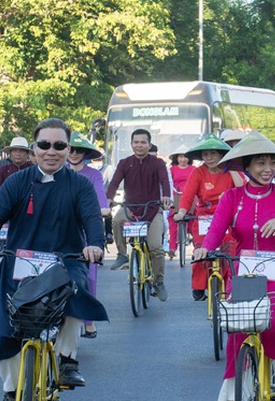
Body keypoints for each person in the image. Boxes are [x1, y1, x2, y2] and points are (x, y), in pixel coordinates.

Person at [0, 118, 107, 401]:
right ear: (34, 148)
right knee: (4, 327)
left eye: (59, 145)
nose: (52, 151)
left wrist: (95, 246)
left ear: (68, 149)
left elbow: (92, 220)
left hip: (65, 260)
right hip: (19, 262)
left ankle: (67, 360)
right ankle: (10, 396)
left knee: (75, 292)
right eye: (44, 144)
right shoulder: (18, 182)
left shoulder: (81, 185)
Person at [192, 131, 275, 401]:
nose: (267, 169)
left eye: (272, 163)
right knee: (239, 329)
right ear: (246, 166)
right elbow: (216, 229)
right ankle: (235, 396)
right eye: (260, 163)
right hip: (245, 269)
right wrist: (204, 249)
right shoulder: (232, 196)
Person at [106, 129, 173, 300]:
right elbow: (114, 183)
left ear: (149, 145)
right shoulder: (124, 163)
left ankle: (159, 282)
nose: (139, 145)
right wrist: (108, 199)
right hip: (130, 208)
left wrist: (166, 196)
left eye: (143, 142)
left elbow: (165, 181)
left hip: (152, 209)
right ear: (131, 144)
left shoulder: (158, 163)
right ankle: (122, 255)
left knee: (156, 247)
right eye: (136, 142)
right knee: (116, 220)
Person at [173, 134, 241, 300]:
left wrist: (231, 167)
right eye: (205, 154)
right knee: (201, 251)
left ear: (221, 154)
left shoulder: (230, 171)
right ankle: (198, 287)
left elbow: (242, 189)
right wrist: (182, 212)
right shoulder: (198, 173)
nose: (209, 158)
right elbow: (188, 195)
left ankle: (229, 286)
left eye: (213, 153)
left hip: (227, 218)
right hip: (204, 219)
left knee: (229, 252)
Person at [67, 131, 111, 339]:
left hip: (86, 229)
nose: (74, 154)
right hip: (62, 228)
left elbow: (100, 196)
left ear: (85, 153)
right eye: (71, 149)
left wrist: (102, 209)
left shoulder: (94, 175)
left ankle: (89, 321)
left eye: (79, 150)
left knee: (90, 275)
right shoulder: (57, 171)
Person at [0, 137, 33, 207]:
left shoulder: (33, 169)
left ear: (27, 153)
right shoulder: (4, 170)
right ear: (10, 153)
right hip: (8, 207)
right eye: (14, 151)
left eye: (21, 151)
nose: (18, 154)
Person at [167, 144, 196, 260]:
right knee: (172, 220)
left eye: (185, 157)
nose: (183, 159)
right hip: (177, 196)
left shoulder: (194, 170)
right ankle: (172, 248)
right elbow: (168, 183)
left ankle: (197, 246)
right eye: (180, 157)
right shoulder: (172, 170)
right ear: (176, 158)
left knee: (194, 221)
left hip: (191, 197)